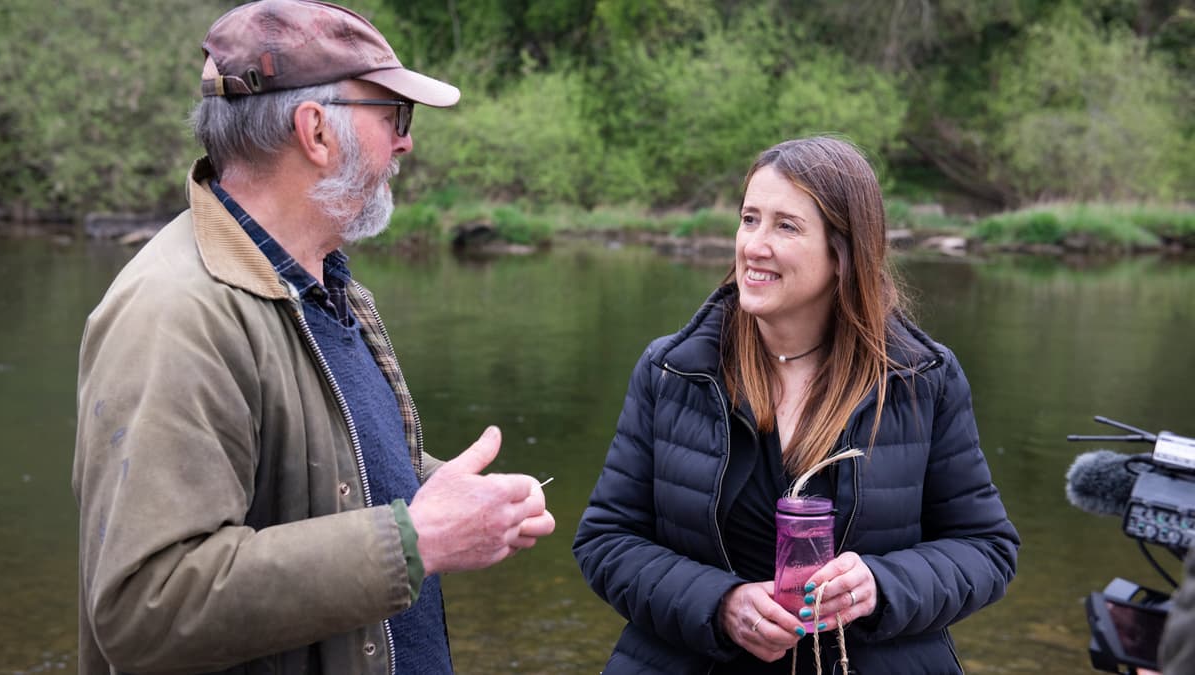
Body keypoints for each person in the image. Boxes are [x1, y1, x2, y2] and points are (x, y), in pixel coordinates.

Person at [71, 1, 555, 673]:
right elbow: (146, 607)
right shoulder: (174, 315)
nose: (405, 142)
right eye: (394, 116)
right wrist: (415, 539)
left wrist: (459, 498)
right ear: (316, 130)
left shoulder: (323, 283)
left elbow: (323, 474)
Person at [573, 136, 1020, 673]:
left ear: (843, 252)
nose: (754, 246)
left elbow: (986, 549)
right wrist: (720, 604)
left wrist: (880, 586)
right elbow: (606, 540)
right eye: (749, 219)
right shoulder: (672, 371)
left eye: (785, 226)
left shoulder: (922, 379)